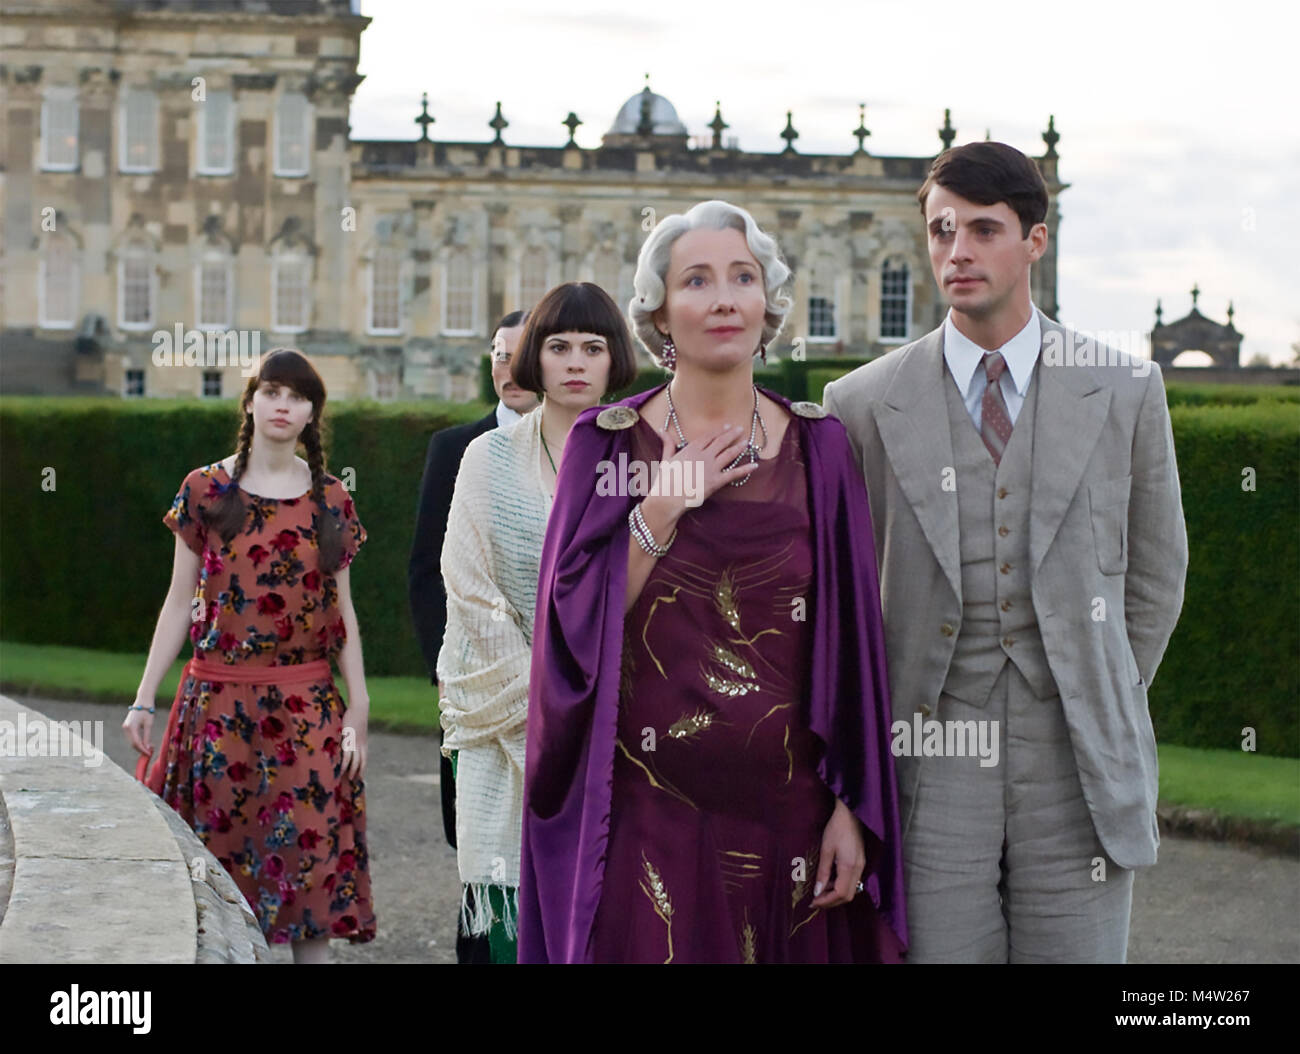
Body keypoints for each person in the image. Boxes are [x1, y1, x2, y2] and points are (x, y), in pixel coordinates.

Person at [822, 141, 1188, 963]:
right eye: (940, 229)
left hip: (1076, 761)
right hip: (927, 755)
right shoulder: (862, 403)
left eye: (984, 229)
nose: (957, 250)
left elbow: (1158, 575)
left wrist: (1102, 688)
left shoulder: (1125, 388)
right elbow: (842, 595)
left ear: (1035, 240)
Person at [518, 200, 907, 964]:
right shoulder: (608, 446)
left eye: (743, 278)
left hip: (793, 822)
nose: (724, 297)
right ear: (659, 313)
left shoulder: (822, 449)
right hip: (644, 817)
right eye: (696, 280)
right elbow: (569, 634)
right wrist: (661, 507)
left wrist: (851, 811)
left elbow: (856, 643)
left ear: (769, 306)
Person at [124, 348, 375, 964]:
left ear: (313, 411)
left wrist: (360, 707)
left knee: (308, 875)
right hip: (215, 708)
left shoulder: (331, 500)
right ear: (251, 401)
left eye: (296, 395)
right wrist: (143, 696)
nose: (282, 405)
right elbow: (179, 600)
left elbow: (342, 613)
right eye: (271, 392)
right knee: (214, 879)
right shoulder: (205, 491)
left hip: (307, 705)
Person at [437, 282, 637, 963]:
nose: (575, 361)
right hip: (505, 723)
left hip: (614, 729)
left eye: (593, 346)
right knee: (507, 931)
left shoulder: (645, 457)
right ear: (534, 359)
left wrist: (590, 707)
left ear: (615, 360)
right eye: (557, 346)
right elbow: (469, 589)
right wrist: (549, 702)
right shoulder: (486, 459)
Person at [408, 312, 538, 963]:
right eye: (497, 353)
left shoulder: (595, 448)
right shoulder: (456, 445)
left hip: (556, 689)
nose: (506, 367)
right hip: (475, 690)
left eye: (520, 354)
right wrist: (452, 673)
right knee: (478, 850)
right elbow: (427, 571)